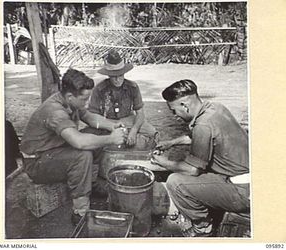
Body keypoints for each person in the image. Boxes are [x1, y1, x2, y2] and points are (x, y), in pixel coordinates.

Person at [20, 69, 127, 223]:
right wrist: (111, 139)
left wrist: (112, 126)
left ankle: (91, 183)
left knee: (97, 132)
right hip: (37, 162)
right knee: (82, 155)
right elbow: (79, 142)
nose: (87, 103)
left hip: (54, 151)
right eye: (85, 99)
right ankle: (80, 212)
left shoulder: (71, 100)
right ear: (70, 96)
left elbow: (90, 117)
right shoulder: (54, 111)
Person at [151, 79, 250, 237]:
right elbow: (198, 136)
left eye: (174, 110)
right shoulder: (215, 108)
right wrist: (171, 142)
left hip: (242, 192)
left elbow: (193, 170)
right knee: (192, 161)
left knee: (175, 182)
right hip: (250, 180)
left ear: (185, 105)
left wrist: (163, 162)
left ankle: (202, 228)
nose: (175, 116)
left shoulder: (202, 125)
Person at [87, 49, 157, 149]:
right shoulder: (99, 89)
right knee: (91, 136)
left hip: (127, 120)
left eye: (120, 75)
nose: (117, 79)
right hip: (107, 120)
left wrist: (134, 130)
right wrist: (107, 125)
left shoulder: (132, 87)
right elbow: (92, 115)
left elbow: (140, 113)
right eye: (113, 76)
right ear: (108, 75)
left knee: (152, 132)